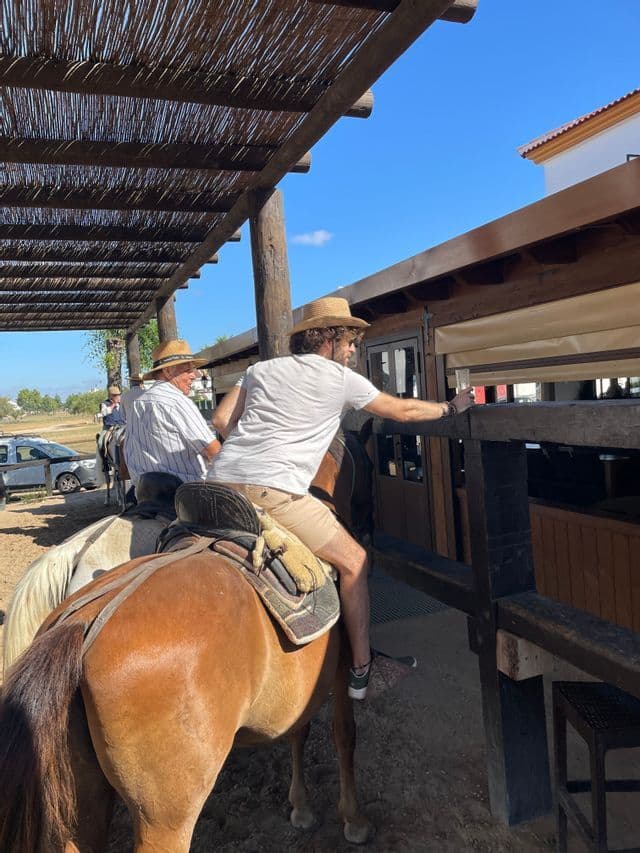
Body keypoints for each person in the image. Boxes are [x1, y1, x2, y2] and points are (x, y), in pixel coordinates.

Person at [208, 297, 474, 700]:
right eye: (350, 341)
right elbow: (400, 411)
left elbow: (221, 420)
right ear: (329, 339)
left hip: (217, 483)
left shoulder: (259, 369)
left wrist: (248, 457)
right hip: (272, 491)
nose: (352, 350)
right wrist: (451, 407)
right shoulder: (341, 379)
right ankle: (362, 670)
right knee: (355, 561)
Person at [125, 339, 221, 485]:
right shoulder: (176, 401)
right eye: (188, 370)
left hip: (144, 491)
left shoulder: (137, 403)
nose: (194, 375)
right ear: (168, 371)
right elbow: (212, 450)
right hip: (184, 492)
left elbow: (129, 451)